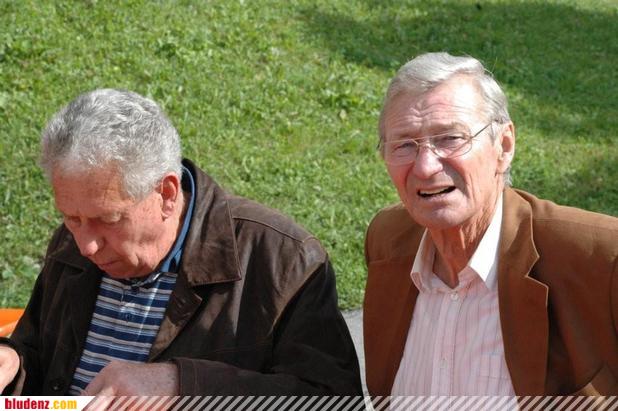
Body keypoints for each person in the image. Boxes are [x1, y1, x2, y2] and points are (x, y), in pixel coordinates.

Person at [0, 89, 362, 396]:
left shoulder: (283, 259)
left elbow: (331, 398)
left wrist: (182, 386)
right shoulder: (74, 239)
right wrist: (13, 362)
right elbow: (38, 353)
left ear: (167, 194)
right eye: (71, 218)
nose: (86, 246)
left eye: (109, 220)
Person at [363, 52, 618, 396]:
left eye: (450, 138)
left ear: (504, 146)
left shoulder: (601, 258)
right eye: (404, 145)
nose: (425, 167)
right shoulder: (387, 240)